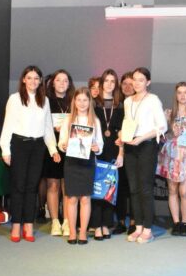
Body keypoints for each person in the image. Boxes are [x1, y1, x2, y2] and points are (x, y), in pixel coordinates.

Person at [0, 65, 60, 242]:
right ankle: (16, 225)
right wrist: (5, 149)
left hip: (38, 147)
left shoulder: (44, 100)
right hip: (19, 145)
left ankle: (28, 224)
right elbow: (8, 125)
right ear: (24, 80)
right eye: (30, 78)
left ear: (40, 81)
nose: (33, 81)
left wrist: (53, 149)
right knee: (18, 186)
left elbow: (47, 127)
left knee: (32, 187)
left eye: (36, 78)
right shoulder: (14, 99)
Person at [121, 67, 167, 244]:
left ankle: (148, 229)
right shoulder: (127, 101)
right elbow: (127, 123)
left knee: (145, 188)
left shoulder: (153, 100)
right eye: (135, 79)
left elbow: (162, 126)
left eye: (141, 80)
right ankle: (138, 227)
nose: (137, 83)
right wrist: (123, 136)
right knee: (133, 189)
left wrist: (141, 138)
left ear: (148, 82)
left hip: (147, 146)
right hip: (130, 146)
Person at [58, 87, 104, 244]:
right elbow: (61, 142)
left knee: (85, 198)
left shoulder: (95, 121)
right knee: (71, 198)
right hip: (72, 162)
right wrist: (63, 145)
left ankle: (83, 232)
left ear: (90, 102)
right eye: (79, 100)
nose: (82, 103)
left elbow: (100, 144)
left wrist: (97, 148)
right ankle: (72, 232)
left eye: (85, 100)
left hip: (88, 162)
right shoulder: (68, 120)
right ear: (74, 102)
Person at [157, 82, 186, 236]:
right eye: (180, 92)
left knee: (184, 191)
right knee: (172, 190)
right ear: (176, 95)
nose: (182, 96)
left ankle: (185, 222)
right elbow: (161, 136)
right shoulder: (169, 113)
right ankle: (176, 223)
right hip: (171, 155)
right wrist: (168, 134)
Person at [90, 69, 124, 240]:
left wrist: (121, 153)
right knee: (97, 187)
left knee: (110, 187)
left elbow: (123, 132)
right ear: (101, 83)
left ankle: (106, 224)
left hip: (114, 151)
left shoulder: (121, 105)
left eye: (113, 81)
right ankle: (96, 225)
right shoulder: (93, 103)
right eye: (106, 81)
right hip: (96, 149)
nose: (109, 84)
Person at [45, 69, 75, 237]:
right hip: (52, 146)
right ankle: (55, 221)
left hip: (70, 147)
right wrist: (53, 128)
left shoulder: (74, 101)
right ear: (53, 83)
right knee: (53, 184)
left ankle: (67, 221)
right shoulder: (46, 101)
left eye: (65, 80)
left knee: (67, 185)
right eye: (58, 80)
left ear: (69, 84)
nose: (62, 83)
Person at [112, 71, 136, 235]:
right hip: (118, 150)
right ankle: (120, 221)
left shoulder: (139, 105)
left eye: (131, 84)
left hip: (135, 150)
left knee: (134, 187)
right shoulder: (116, 105)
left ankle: (134, 221)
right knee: (119, 186)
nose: (127, 87)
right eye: (124, 84)